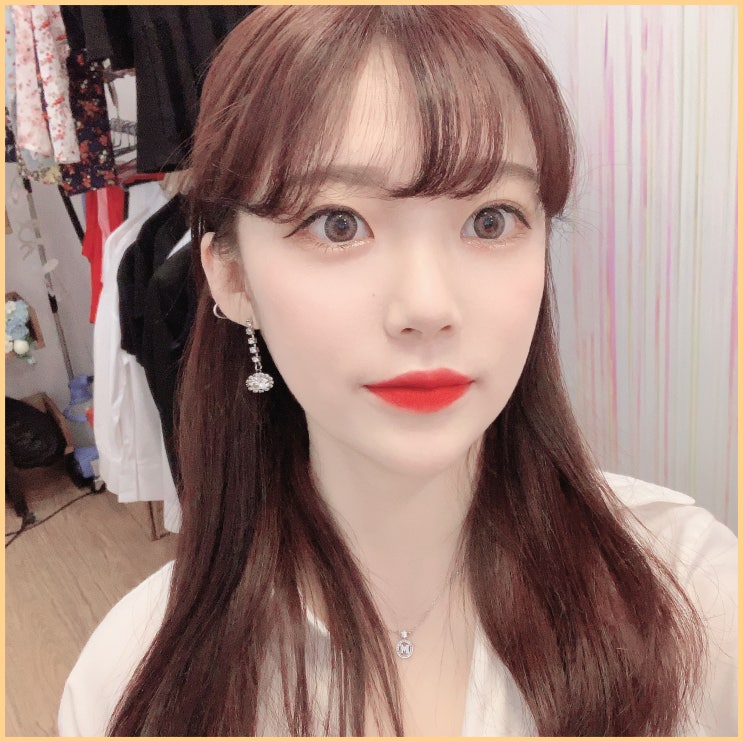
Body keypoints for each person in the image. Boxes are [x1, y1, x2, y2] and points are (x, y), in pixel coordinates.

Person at [58, 6, 737, 736]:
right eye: (337, 223)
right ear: (230, 275)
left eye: (490, 219)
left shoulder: (692, 593)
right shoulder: (131, 686)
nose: (427, 307)